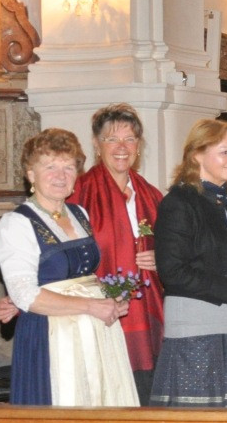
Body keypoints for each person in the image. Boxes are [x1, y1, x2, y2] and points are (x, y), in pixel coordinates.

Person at [0, 129, 138, 407]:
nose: (60, 176)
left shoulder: (79, 214)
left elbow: (83, 276)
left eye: (68, 167)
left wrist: (109, 300)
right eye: (50, 167)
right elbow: (26, 296)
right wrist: (91, 307)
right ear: (30, 174)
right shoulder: (17, 223)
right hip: (50, 335)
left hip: (96, 334)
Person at [150, 119, 227, 407]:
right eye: (225, 152)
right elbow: (174, 272)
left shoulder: (225, 203)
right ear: (197, 154)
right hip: (195, 328)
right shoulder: (179, 202)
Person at [70, 103, 164, 404]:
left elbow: (175, 251)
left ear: (139, 146)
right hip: (100, 316)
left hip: (148, 314)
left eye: (130, 139)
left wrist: (161, 260)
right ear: (97, 145)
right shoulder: (79, 193)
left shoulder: (152, 195)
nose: (122, 147)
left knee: (148, 398)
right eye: (112, 139)